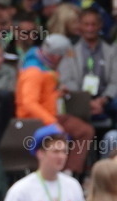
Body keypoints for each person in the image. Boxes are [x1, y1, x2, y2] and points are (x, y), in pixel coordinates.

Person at [16, 33, 94, 175]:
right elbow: (29, 103)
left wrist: (57, 93)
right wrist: (52, 122)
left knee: (85, 130)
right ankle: (63, 172)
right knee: (70, 134)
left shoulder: (44, 67)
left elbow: (43, 95)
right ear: (56, 56)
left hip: (51, 114)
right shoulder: (33, 72)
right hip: (35, 121)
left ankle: (69, 172)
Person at [0, 125, 85, 201]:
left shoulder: (73, 186)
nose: (61, 156)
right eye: (55, 151)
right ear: (40, 153)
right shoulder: (20, 190)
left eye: (64, 151)